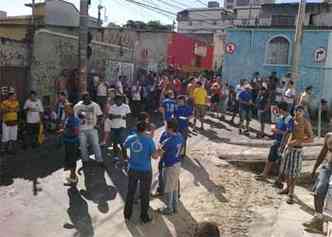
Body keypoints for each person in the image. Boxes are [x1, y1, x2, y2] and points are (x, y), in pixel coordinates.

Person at [123, 121, 159, 224]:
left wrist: (126, 158)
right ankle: (144, 216)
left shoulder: (131, 138)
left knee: (130, 192)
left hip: (132, 169)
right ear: (145, 130)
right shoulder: (149, 141)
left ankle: (127, 214)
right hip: (145, 170)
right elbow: (154, 156)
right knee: (145, 194)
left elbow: (124, 146)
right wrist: (159, 152)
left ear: (136, 129)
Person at [279, 105, 314, 204]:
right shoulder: (291, 121)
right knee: (286, 170)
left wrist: (298, 141)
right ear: (294, 111)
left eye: (300, 110)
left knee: (293, 173)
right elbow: (287, 133)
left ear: (303, 112)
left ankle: (291, 194)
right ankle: (287, 188)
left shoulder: (305, 123)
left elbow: (311, 139)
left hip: (297, 150)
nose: (298, 112)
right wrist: (282, 145)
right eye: (296, 110)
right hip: (288, 149)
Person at [302, 133, 332, 231]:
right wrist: (314, 169)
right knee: (318, 192)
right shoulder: (328, 136)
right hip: (327, 168)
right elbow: (322, 153)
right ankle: (318, 220)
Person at [256, 102, 292, 180]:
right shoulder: (280, 117)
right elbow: (276, 127)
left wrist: (278, 132)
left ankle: (278, 179)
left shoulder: (289, 119)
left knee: (281, 162)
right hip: (277, 141)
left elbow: (289, 133)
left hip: (283, 143)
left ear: (281, 109)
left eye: (277, 108)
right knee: (271, 158)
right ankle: (264, 174)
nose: (276, 110)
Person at [158, 119, 184, 215]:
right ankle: (175, 206)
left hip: (170, 165)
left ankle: (169, 208)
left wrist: (159, 146)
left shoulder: (168, 141)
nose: (165, 128)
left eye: (166, 126)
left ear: (170, 128)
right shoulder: (180, 136)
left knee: (169, 188)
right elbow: (181, 150)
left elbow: (158, 154)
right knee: (174, 186)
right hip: (177, 163)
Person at [74, 92, 103, 165]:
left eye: (89, 99)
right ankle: (85, 160)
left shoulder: (95, 105)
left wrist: (98, 124)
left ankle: (99, 160)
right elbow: (75, 117)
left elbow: (100, 115)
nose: (88, 101)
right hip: (81, 130)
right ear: (82, 100)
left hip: (92, 128)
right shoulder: (77, 106)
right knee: (83, 145)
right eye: (85, 100)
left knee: (96, 144)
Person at [62, 103, 80, 186]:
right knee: (70, 160)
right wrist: (63, 130)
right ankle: (72, 176)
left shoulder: (75, 119)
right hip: (67, 141)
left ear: (72, 109)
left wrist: (67, 130)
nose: (65, 110)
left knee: (72, 161)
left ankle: (73, 178)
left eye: (67, 108)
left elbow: (76, 132)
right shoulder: (68, 117)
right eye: (65, 108)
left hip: (72, 143)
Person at [108, 94, 131, 160]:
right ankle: (115, 156)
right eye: (117, 100)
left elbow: (128, 117)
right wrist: (120, 116)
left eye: (120, 100)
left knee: (122, 142)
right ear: (115, 101)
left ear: (121, 100)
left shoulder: (126, 106)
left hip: (122, 127)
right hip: (113, 127)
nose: (118, 101)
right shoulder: (112, 107)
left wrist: (116, 116)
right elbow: (110, 117)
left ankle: (125, 156)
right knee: (114, 142)